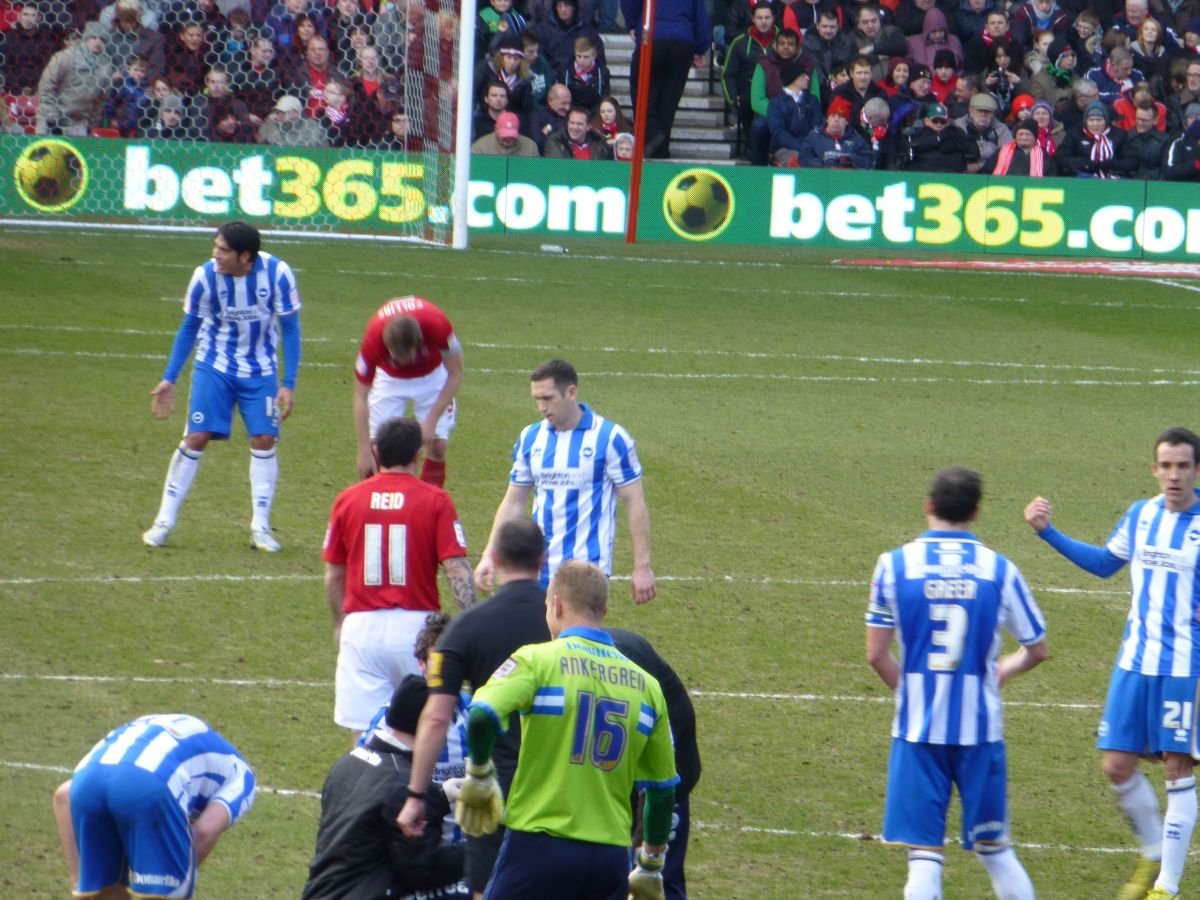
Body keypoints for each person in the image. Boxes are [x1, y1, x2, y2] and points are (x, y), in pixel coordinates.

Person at [1024, 427, 1200, 900]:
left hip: (1184, 668)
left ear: (1197, 470)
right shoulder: (1141, 516)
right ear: (1154, 470)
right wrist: (1047, 533)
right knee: (1117, 765)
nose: (1174, 475)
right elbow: (1105, 562)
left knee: (1176, 768)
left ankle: (1167, 888)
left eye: (1183, 465)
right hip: (1133, 661)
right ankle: (1152, 853)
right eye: (1166, 465)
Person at [867, 467, 1048, 900]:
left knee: (924, 860)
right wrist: (1001, 671)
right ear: (977, 512)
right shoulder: (999, 570)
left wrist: (911, 694)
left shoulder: (893, 565)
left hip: (917, 733)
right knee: (996, 851)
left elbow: (876, 654)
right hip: (980, 734)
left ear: (928, 506)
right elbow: (1037, 649)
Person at [454, 561, 679, 899]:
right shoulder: (647, 687)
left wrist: (479, 774)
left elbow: (483, 715)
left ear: (556, 604)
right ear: (603, 610)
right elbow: (662, 791)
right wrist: (650, 865)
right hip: (609, 857)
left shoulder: (537, 660)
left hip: (539, 846)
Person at [398, 518, 553, 899]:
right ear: (543, 559)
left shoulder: (466, 627)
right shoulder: (560, 619)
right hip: (557, 780)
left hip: (492, 786)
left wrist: (416, 796)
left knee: (486, 891)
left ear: (496, 558)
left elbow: (436, 717)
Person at [142, 221, 301, 552]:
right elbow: (189, 328)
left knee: (264, 438)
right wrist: (170, 378)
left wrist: (288, 383)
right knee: (196, 437)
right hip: (214, 366)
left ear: (245, 256)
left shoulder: (278, 274)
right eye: (215, 247)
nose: (215, 255)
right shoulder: (204, 277)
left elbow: (290, 329)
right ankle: (163, 521)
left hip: (261, 372)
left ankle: (260, 527)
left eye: (223, 250)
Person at [323, 416, 475, 734]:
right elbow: (456, 568)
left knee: (365, 737)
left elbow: (334, 575)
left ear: (376, 451)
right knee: (426, 727)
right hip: (418, 630)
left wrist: (341, 622)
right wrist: (472, 624)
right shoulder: (436, 500)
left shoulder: (347, 500)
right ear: (417, 455)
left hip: (362, 627)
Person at [474, 358, 656, 603]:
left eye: (547, 398)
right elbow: (513, 502)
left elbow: (634, 502)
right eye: (537, 399)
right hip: (535, 568)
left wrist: (642, 566)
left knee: (572, 640)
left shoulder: (610, 438)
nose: (541, 406)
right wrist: (489, 554)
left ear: (571, 392)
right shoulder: (530, 438)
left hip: (586, 572)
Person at [52, 714, 257, 899]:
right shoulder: (243, 777)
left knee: (106, 894)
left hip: (87, 779)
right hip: (147, 785)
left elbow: (64, 796)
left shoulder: (184, 741)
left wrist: (80, 880)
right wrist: (172, 872)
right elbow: (203, 832)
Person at [303, 675, 468, 900]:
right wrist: (478, 850)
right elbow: (423, 869)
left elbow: (371, 823)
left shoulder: (348, 763)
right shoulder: (407, 784)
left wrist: (439, 799)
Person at [607, 626, 702, 900]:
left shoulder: (626, 669)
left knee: (656, 876)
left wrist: (644, 845)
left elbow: (662, 780)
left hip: (669, 765)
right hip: (634, 758)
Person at [353, 296, 464, 487]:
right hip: (389, 379)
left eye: (408, 357)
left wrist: (431, 420)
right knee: (378, 451)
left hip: (432, 375)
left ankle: (427, 507)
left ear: (420, 342)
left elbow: (456, 372)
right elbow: (361, 395)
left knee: (438, 446)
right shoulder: (372, 340)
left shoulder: (438, 325)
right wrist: (363, 449)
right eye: (397, 357)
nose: (404, 363)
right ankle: (384, 509)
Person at [622, 0, 710, 158]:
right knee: (668, 102)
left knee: (641, 92)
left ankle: (654, 136)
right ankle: (660, 152)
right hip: (683, 40)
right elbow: (701, 16)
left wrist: (632, 24)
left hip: (652, 37)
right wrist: (701, 48)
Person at [36, 20, 113, 135]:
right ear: (85, 38)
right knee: (48, 152)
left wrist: (91, 123)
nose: (98, 42)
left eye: (102, 39)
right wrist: (51, 117)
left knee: (75, 153)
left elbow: (101, 97)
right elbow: (46, 86)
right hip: (51, 118)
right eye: (94, 37)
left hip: (78, 123)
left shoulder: (106, 64)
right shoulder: (65, 57)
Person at [766, 55, 822, 165]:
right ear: (794, 78)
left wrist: (811, 146)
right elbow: (779, 133)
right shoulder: (776, 103)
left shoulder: (812, 100)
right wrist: (802, 146)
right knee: (802, 160)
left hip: (812, 148)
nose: (808, 78)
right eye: (803, 75)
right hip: (785, 149)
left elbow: (817, 127)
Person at [798, 94, 876, 166]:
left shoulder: (857, 139)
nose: (836, 120)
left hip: (848, 178)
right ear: (827, 119)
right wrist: (822, 164)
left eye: (841, 116)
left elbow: (868, 161)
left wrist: (850, 159)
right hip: (821, 178)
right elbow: (803, 158)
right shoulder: (814, 137)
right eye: (832, 116)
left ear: (846, 121)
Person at [542, 104, 614, 157]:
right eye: (572, 123)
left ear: (588, 127)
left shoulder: (601, 144)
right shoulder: (555, 142)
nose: (575, 127)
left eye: (579, 124)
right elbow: (557, 170)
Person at [471, 108, 539, 155]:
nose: (508, 138)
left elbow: (536, 174)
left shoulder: (531, 147)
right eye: (505, 135)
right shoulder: (481, 147)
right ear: (496, 129)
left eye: (511, 135)